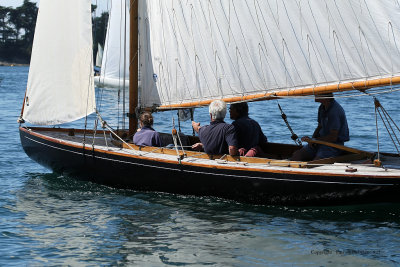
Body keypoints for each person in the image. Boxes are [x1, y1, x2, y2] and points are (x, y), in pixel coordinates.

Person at [291, 93, 350, 161]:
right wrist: (312, 141)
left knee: (315, 162)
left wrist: (314, 140)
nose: (314, 94)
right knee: (297, 155)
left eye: (317, 93)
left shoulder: (334, 111)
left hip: (333, 146)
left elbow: (333, 137)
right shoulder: (322, 107)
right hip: (319, 143)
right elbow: (319, 127)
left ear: (325, 97)